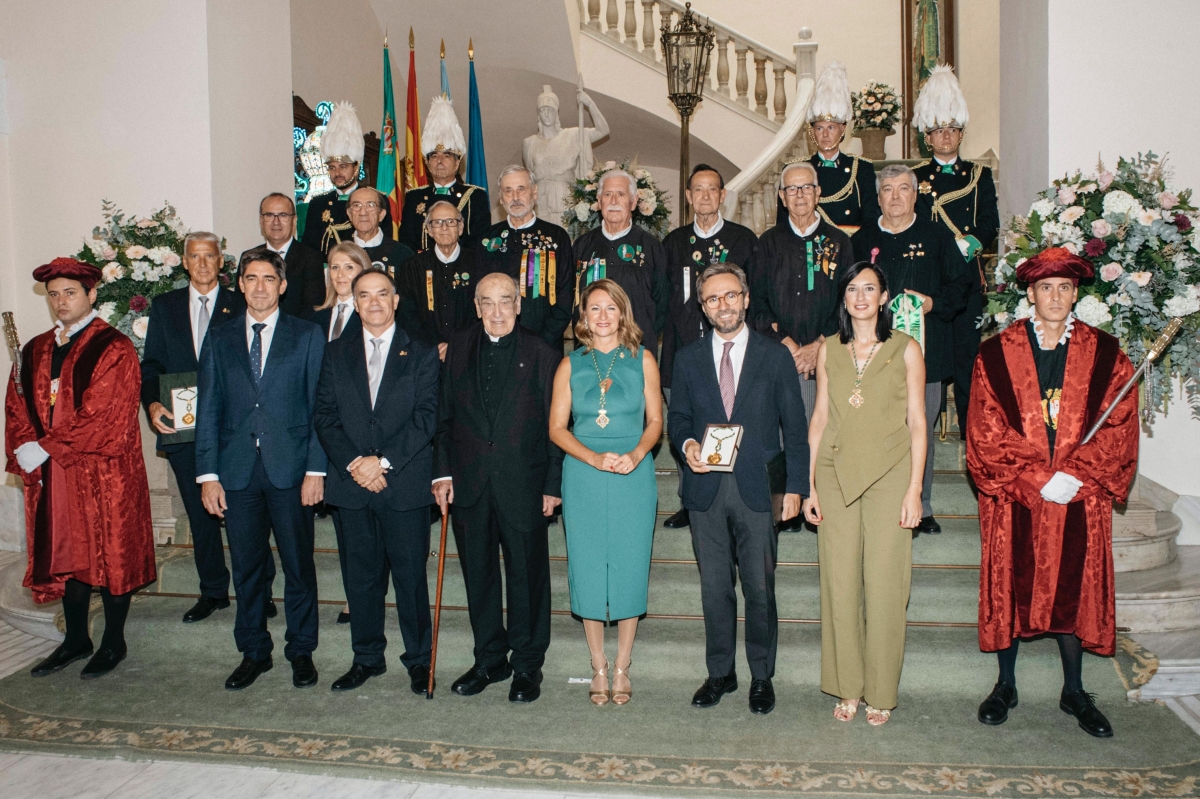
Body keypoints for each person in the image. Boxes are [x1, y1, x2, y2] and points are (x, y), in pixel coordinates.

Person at [967, 247, 1138, 739]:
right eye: (1046, 288)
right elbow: (985, 428)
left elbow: (1120, 424)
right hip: (1017, 495)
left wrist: (1076, 476)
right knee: (1011, 583)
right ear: (1030, 294)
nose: (1056, 296)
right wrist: (1037, 479)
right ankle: (1005, 684)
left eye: (1064, 287)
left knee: (1071, 586)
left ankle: (1075, 691)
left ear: (1076, 293)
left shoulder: (1106, 354)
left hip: (1078, 496)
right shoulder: (996, 354)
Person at [5, 258, 156, 679]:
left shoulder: (114, 347)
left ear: (91, 295)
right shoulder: (35, 348)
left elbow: (105, 416)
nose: (60, 301)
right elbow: (16, 407)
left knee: (109, 553)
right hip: (56, 474)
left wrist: (47, 446)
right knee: (68, 552)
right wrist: (23, 447)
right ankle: (75, 639)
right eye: (54, 294)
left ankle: (113, 641)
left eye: (69, 292)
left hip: (103, 471)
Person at [668, 263, 807, 716]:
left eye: (730, 296)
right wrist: (688, 445)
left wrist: (795, 488)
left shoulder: (775, 356)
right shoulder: (687, 357)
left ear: (746, 299)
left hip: (757, 490)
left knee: (760, 589)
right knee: (714, 588)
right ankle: (720, 673)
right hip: (705, 489)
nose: (722, 305)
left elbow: (796, 428)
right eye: (712, 299)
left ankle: (761, 676)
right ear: (703, 308)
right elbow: (679, 421)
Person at [196, 251, 326, 691]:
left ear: (282, 285)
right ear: (240, 284)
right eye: (250, 279)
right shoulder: (219, 338)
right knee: (247, 569)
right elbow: (209, 409)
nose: (259, 287)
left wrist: (316, 469)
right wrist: (208, 476)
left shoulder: (307, 335)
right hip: (236, 473)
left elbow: (317, 409)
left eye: (268, 279)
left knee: (297, 566)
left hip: (291, 470)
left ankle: (301, 650)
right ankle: (254, 651)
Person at [803, 261, 926, 726]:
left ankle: (880, 690)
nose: (860, 297)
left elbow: (918, 423)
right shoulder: (828, 349)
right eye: (852, 288)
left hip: (891, 473)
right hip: (834, 474)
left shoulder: (906, 348)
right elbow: (818, 419)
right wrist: (809, 485)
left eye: (869, 288)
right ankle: (847, 685)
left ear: (884, 296)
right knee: (838, 582)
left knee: (884, 582)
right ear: (844, 297)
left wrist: (915, 489)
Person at [433, 273, 563, 703]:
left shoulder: (543, 353)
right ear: (476, 306)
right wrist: (442, 473)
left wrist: (551, 485)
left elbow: (556, 428)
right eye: (487, 303)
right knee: (480, 576)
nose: (496, 311)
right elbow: (443, 418)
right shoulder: (456, 350)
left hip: (524, 483)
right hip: (469, 483)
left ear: (518, 304)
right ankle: (490, 658)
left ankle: (527, 664)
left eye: (504, 301)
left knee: (527, 578)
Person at [313, 268, 441, 694]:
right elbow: (325, 417)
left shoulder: (421, 352)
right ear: (354, 301)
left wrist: (381, 462)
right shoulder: (335, 353)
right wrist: (356, 464)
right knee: (360, 579)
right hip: (351, 487)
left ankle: (419, 661)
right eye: (364, 295)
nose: (373, 302)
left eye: (381, 294)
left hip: (402, 485)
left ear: (396, 300)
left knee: (410, 579)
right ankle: (366, 658)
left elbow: (426, 418)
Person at [142, 232, 267, 624]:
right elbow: (152, 365)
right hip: (183, 430)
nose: (201, 263)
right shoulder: (164, 307)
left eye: (209, 256)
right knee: (200, 515)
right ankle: (213, 590)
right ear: (184, 261)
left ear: (221, 262)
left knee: (247, 515)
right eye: (194, 256)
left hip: (234, 431)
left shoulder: (241, 302)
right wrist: (153, 402)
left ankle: (260, 592)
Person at [550, 279, 662, 706]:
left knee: (631, 566)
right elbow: (556, 429)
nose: (602, 316)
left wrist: (634, 455)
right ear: (583, 317)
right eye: (593, 308)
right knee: (590, 567)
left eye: (610, 308)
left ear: (622, 314)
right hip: (584, 474)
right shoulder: (570, 364)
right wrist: (593, 459)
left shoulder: (642, 359)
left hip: (633, 474)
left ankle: (622, 665)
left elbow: (655, 422)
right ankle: (598, 665)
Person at [852, 164, 972, 535]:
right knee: (873, 428)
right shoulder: (862, 239)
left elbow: (962, 286)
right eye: (888, 189)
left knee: (918, 428)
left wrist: (932, 304)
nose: (895, 197)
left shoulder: (937, 237)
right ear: (878, 196)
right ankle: (876, 499)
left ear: (915, 194)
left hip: (926, 355)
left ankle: (923, 503)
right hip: (871, 357)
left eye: (904, 188)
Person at [659, 164, 758, 530]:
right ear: (688, 197)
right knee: (686, 422)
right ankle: (691, 499)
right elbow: (662, 302)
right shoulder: (672, 243)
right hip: (683, 355)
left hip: (731, 353)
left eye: (711, 189)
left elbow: (754, 297)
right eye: (697, 189)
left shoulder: (744, 240)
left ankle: (738, 497)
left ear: (722, 196)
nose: (704, 195)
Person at [911, 65, 999, 435]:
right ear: (927, 138)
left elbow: (989, 224)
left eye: (952, 130)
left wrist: (965, 245)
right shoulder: (913, 178)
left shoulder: (980, 176)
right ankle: (917, 435)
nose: (945, 137)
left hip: (964, 281)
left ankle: (970, 439)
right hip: (927, 283)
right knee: (922, 363)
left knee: (966, 362)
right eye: (937, 131)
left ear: (961, 133)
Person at [755, 161, 856, 420]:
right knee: (779, 441)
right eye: (791, 189)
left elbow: (849, 300)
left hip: (828, 358)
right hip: (777, 357)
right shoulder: (768, 243)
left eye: (806, 187)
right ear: (782, 197)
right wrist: (786, 343)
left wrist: (819, 345)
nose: (799, 195)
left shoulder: (839, 242)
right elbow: (757, 301)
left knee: (820, 439)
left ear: (818, 192)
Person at [310, 240, 372, 626]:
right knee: (344, 523)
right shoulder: (315, 319)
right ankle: (354, 592)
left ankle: (365, 595)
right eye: (334, 268)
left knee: (367, 525)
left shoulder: (373, 315)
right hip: (326, 430)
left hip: (363, 434)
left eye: (349, 267)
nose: (341, 275)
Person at [571, 169, 670, 354]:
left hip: (637, 351)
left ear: (633, 203)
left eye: (621, 194)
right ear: (599, 202)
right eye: (608, 194)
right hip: (590, 350)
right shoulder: (582, 246)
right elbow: (574, 300)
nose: (614, 201)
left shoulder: (652, 248)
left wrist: (641, 335)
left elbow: (662, 304)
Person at [774, 62, 878, 233]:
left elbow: (870, 222)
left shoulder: (861, 168)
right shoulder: (796, 170)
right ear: (812, 131)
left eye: (831, 128)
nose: (825, 135)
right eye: (819, 128)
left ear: (842, 129)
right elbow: (783, 225)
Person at [478, 164, 575, 347]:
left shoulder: (556, 237)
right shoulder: (486, 239)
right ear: (500, 197)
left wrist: (542, 341)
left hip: (544, 344)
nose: (515, 198)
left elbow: (565, 296)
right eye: (508, 191)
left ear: (534, 192)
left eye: (521, 189)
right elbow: (477, 295)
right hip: (495, 344)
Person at [399, 95, 490, 253]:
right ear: (428, 163)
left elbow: (480, 240)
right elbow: (406, 241)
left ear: (457, 163)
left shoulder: (475, 196)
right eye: (434, 156)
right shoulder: (414, 197)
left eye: (446, 155)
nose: (439, 160)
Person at [401, 200, 484, 358]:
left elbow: (486, 308)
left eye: (450, 222)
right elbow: (407, 314)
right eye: (437, 222)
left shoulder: (479, 263)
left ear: (460, 228)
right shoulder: (413, 267)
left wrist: (458, 344)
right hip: (427, 354)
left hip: (470, 351)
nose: (444, 227)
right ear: (429, 230)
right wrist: (434, 346)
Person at [522, 85, 610, 226]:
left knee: (567, 241)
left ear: (557, 112)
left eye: (550, 110)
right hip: (541, 202)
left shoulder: (572, 135)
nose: (546, 114)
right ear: (538, 114)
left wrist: (590, 104)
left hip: (565, 198)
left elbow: (603, 130)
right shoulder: (529, 143)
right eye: (542, 110)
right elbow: (530, 178)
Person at [241, 192, 326, 319]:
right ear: (261, 221)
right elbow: (241, 305)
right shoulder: (248, 257)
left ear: (294, 220)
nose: (276, 222)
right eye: (269, 215)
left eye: (283, 215)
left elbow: (313, 308)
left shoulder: (312, 257)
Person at [301, 101, 365, 255]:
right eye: (332, 167)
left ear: (355, 167)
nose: (337, 173)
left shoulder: (375, 200)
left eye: (343, 167)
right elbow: (310, 251)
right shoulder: (317, 204)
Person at [349, 185, 416, 277]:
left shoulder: (402, 254)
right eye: (356, 205)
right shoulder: (340, 252)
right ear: (349, 214)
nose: (363, 212)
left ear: (381, 214)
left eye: (370, 205)